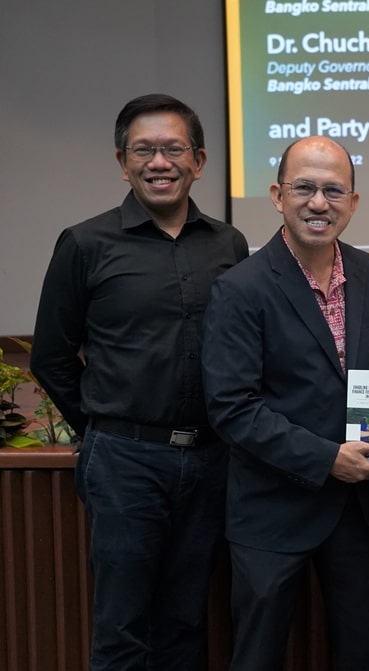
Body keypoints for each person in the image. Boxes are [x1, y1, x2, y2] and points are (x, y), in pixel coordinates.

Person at [29, 93, 249, 670]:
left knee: (185, 623)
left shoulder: (229, 246)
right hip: (123, 463)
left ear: (198, 160)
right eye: (144, 150)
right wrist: (106, 428)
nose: (159, 162)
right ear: (122, 161)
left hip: (209, 462)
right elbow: (51, 357)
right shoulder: (84, 244)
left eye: (173, 149)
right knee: (121, 626)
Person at [200, 136, 369, 670]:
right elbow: (233, 407)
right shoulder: (240, 288)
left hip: (358, 511)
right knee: (258, 656)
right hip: (272, 509)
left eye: (332, 190)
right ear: (277, 196)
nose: (318, 203)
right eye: (304, 188)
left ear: (353, 201)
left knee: (365, 650)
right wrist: (326, 458)